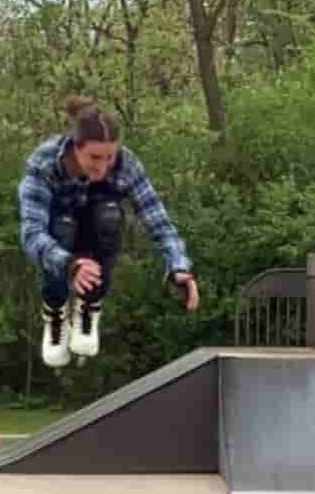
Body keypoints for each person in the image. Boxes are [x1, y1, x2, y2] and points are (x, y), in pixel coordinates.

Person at [17, 95, 198, 368]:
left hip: (97, 241)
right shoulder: (44, 164)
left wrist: (177, 266)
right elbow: (31, 232)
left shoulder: (127, 165)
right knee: (63, 226)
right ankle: (54, 309)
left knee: (109, 214)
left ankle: (89, 305)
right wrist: (69, 264)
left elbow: (157, 219)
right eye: (94, 157)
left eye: (108, 157)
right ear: (75, 147)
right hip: (59, 246)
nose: (101, 167)